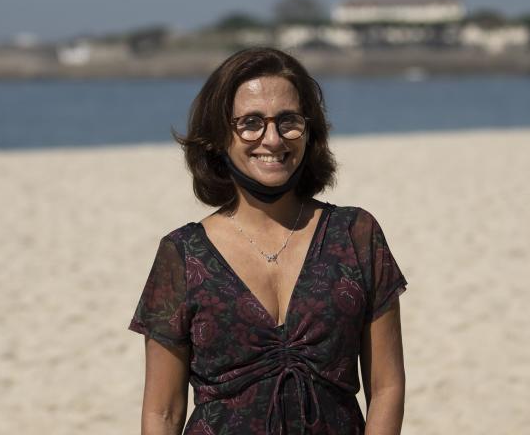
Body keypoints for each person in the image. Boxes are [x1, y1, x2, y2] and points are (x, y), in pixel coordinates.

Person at [128, 47, 407, 435]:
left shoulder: (356, 234)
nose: (272, 139)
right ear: (217, 136)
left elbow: (387, 388)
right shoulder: (183, 254)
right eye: (251, 123)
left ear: (310, 132)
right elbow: (163, 412)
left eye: (288, 121)